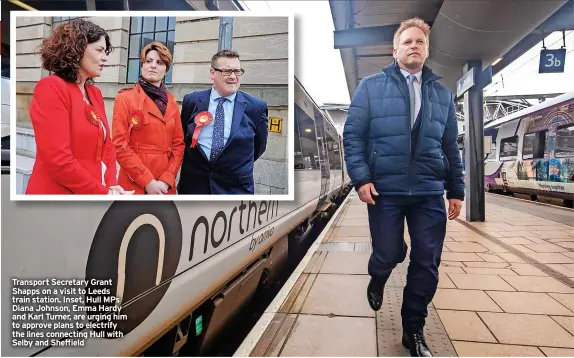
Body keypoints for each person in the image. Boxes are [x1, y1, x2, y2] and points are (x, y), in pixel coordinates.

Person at [343, 18, 464, 357]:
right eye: (407, 41)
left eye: (420, 42)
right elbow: (353, 135)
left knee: (427, 262)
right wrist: (361, 178)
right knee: (389, 252)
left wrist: (456, 189)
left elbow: (450, 145)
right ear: (394, 50)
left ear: (427, 50)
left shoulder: (442, 94)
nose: (414, 46)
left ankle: (414, 328)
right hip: (385, 190)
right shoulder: (370, 86)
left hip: (428, 190)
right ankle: (379, 275)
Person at [26, 18, 131, 195]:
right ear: (76, 49)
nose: (104, 57)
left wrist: (111, 183)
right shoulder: (51, 88)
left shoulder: (95, 93)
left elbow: (107, 146)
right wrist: (103, 193)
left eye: (105, 51)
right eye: (99, 50)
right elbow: (58, 160)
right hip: (56, 196)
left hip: (92, 194)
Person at [177, 49, 268, 195]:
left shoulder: (256, 108)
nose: (233, 76)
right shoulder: (192, 101)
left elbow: (258, 147)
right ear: (212, 73)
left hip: (235, 191)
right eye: (227, 71)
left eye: (237, 71)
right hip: (193, 189)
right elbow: (182, 138)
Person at [112, 42, 184, 195]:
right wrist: (147, 181)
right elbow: (120, 145)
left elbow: (178, 145)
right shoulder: (125, 98)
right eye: (148, 61)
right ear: (142, 65)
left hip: (164, 185)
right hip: (135, 182)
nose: (153, 66)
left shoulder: (172, 102)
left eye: (159, 63)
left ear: (166, 70)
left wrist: (167, 179)